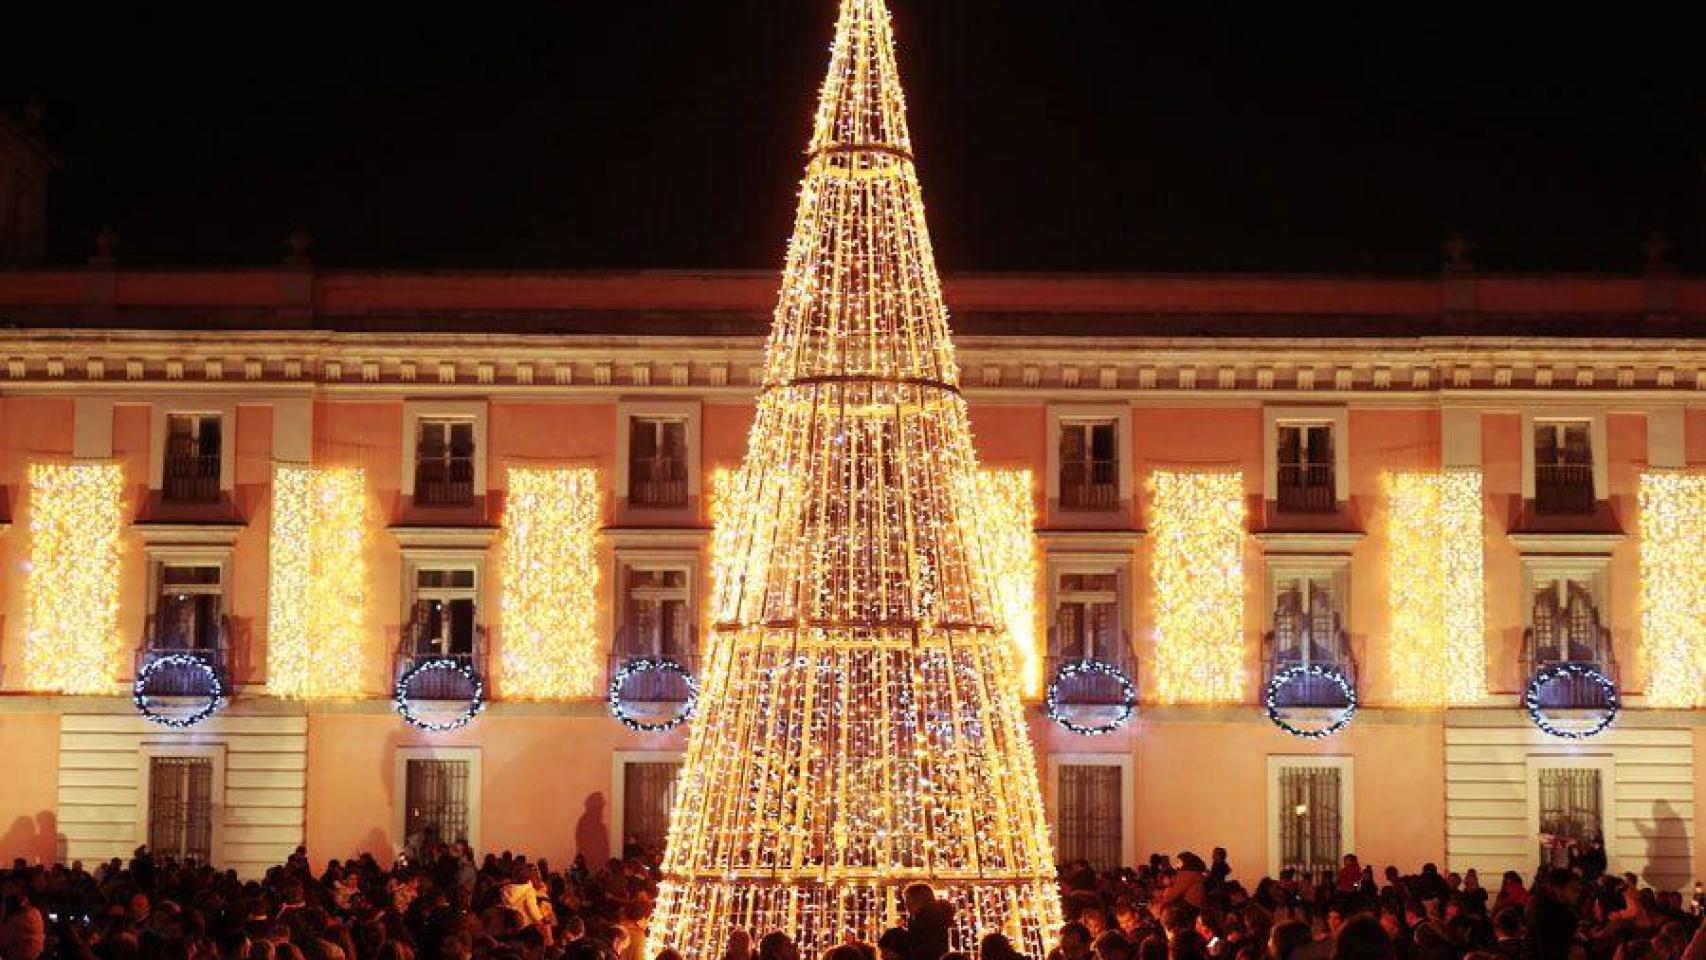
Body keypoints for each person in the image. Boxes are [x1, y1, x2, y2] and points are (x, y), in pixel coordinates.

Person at [1526, 869, 1581, 960]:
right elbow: (1548, 949)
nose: (1578, 894)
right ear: (1558, 889)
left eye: (1579, 889)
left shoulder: (1559, 909)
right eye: (1573, 889)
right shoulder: (1545, 913)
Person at [901, 884, 953, 960]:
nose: (906, 904)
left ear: (918, 900)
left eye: (908, 899)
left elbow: (920, 946)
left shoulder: (924, 920)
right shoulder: (935, 917)